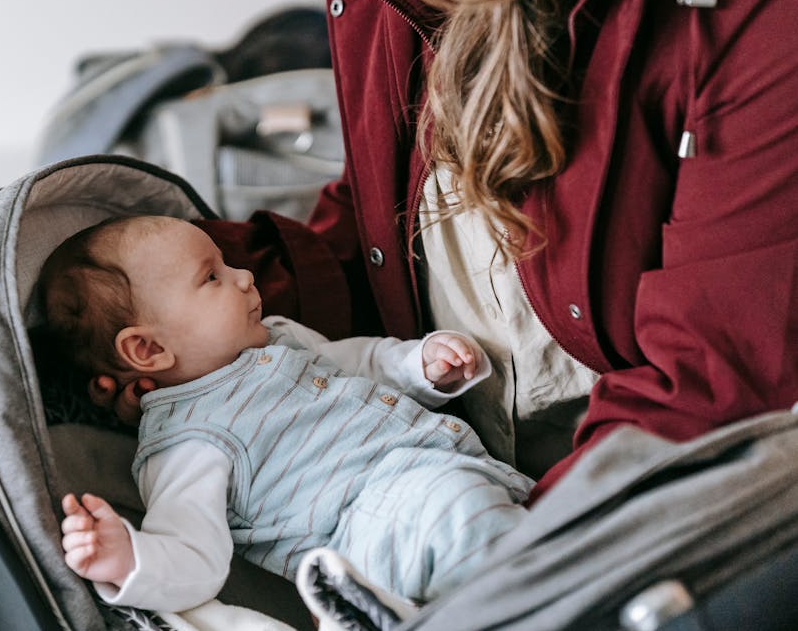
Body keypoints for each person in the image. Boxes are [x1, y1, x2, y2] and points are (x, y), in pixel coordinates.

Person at [93, 0, 798, 498]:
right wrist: (178, 330)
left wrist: (508, 564)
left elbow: (714, 377)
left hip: (613, 500)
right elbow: (383, 215)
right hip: (452, 461)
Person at [40, 215, 533, 612]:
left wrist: (420, 365)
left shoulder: (277, 334)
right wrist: (129, 561)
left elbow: (357, 363)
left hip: (453, 475)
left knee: (513, 527)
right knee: (479, 528)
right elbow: (192, 552)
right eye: (212, 276)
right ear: (148, 348)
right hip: (371, 527)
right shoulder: (190, 441)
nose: (244, 276)